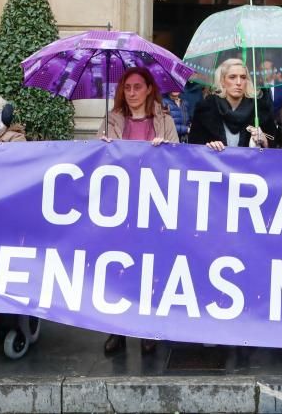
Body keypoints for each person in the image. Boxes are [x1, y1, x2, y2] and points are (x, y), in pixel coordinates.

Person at [96, 67, 177, 356]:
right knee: (118, 266)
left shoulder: (164, 120)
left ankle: (147, 328)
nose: (131, 93)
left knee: (149, 266)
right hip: (120, 205)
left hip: (154, 205)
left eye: (137, 87)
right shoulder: (111, 120)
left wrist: (165, 148)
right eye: (127, 88)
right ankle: (117, 329)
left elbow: (178, 158)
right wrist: (103, 148)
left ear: (148, 89)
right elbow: (96, 161)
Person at [188, 59, 273, 150]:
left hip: (250, 163)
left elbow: (276, 148)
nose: (238, 83)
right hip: (216, 163)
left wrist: (265, 142)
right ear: (222, 81)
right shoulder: (205, 109)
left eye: (243, 77)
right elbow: (194, 146)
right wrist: (209, 146)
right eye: (232, 77)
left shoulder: (259, 110)